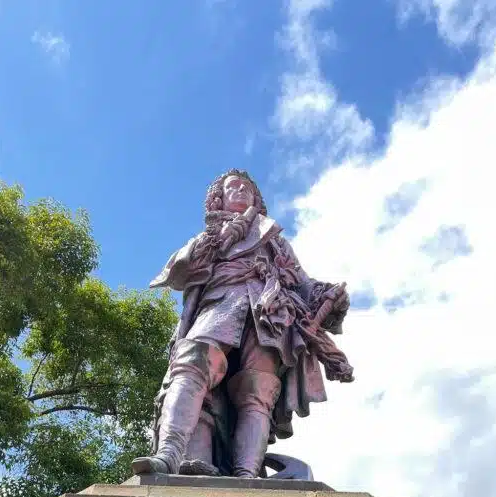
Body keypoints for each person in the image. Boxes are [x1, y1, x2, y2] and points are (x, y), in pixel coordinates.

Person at [132, 169, 354, 479]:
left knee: (258, 388)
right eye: (232, 187)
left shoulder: (274, 239)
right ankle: (169, 454)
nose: (241, 190)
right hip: (221, 301)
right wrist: (218, 238)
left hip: (269, 312)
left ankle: (247, 474)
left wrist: (327, 294)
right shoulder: (211, 235)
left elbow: (303, 283)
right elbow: (182, 269)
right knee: (193, 361)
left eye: (247, 188)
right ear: (219, 198)